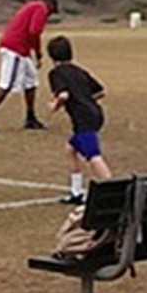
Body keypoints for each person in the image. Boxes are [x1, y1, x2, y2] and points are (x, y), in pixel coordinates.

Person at [0, 0, 59, 134]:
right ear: (51, 5)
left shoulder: (32, 5)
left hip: (22, 50)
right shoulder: (41, 7)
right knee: (6, 84)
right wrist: (38, 52)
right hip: (15, 49)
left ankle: (30, 117)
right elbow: (34, 31)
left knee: (31, 81)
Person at [46, 35, 112, 205]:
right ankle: (76, 192)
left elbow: (64, 95)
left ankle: (112, 191)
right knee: (71, 149)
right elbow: (100, 91)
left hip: (84, 118)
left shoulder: (56, 73)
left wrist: (55, 105)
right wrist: (85, 99)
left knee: (93, 156)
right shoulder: (79, 71)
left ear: (51, 56)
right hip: (95, 113)